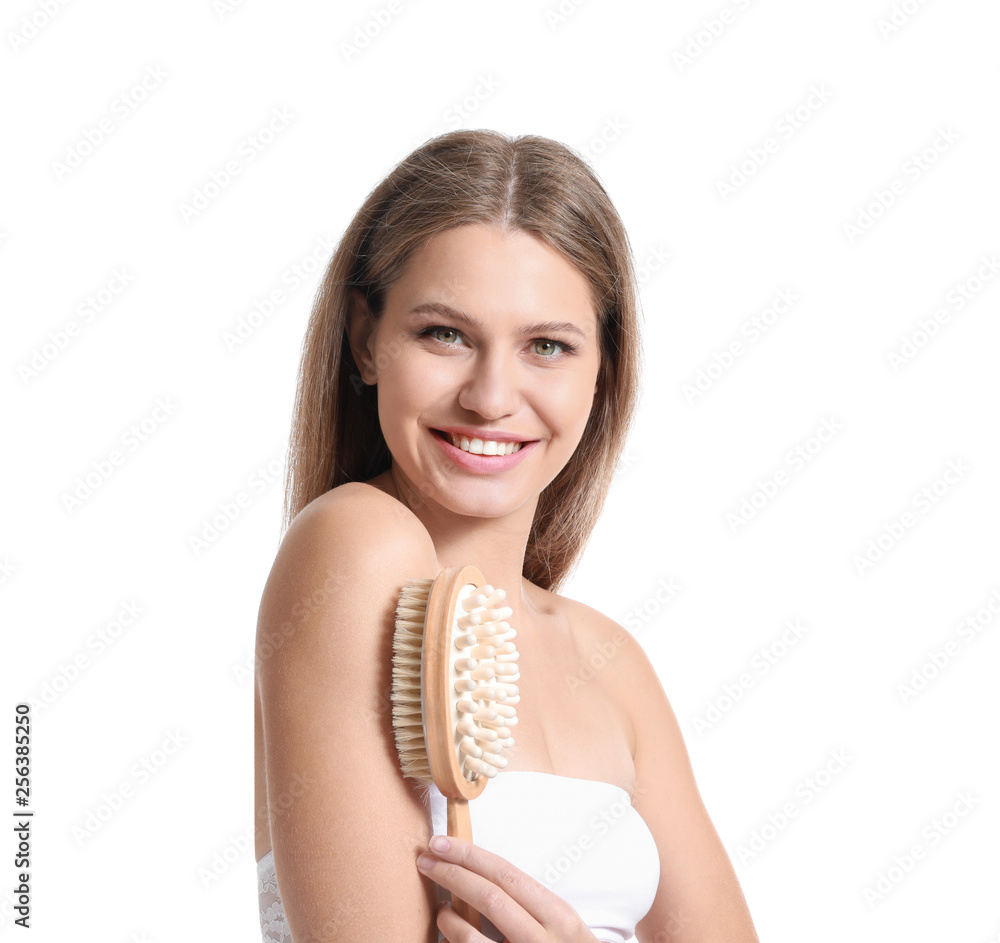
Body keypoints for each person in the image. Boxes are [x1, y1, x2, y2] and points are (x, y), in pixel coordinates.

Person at [254, 129, 760, 943]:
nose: (492, 397)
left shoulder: (612, 659)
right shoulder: (355, 548)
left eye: (548, 346)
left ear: (603, 370)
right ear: (364, 339)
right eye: (445, 334)